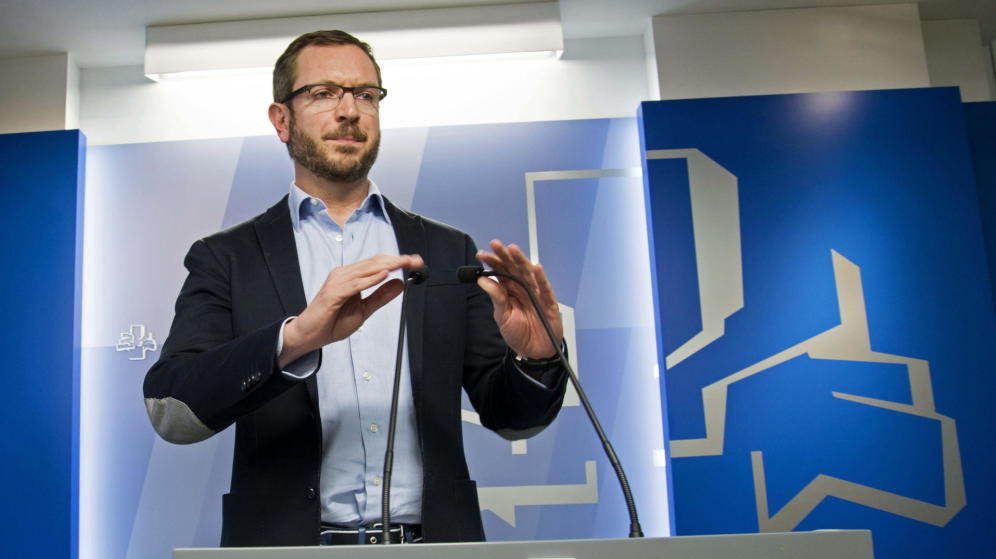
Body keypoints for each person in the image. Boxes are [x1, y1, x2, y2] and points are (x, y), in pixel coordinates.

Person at [143, 29, 567, 547]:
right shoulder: (228, 258)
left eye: (365, 94)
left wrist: (536, 360)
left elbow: (511, 418)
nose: (350, 111)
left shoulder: (446, 251)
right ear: (282, 120)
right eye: (323, 93)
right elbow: (173, 410)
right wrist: (295, 340)